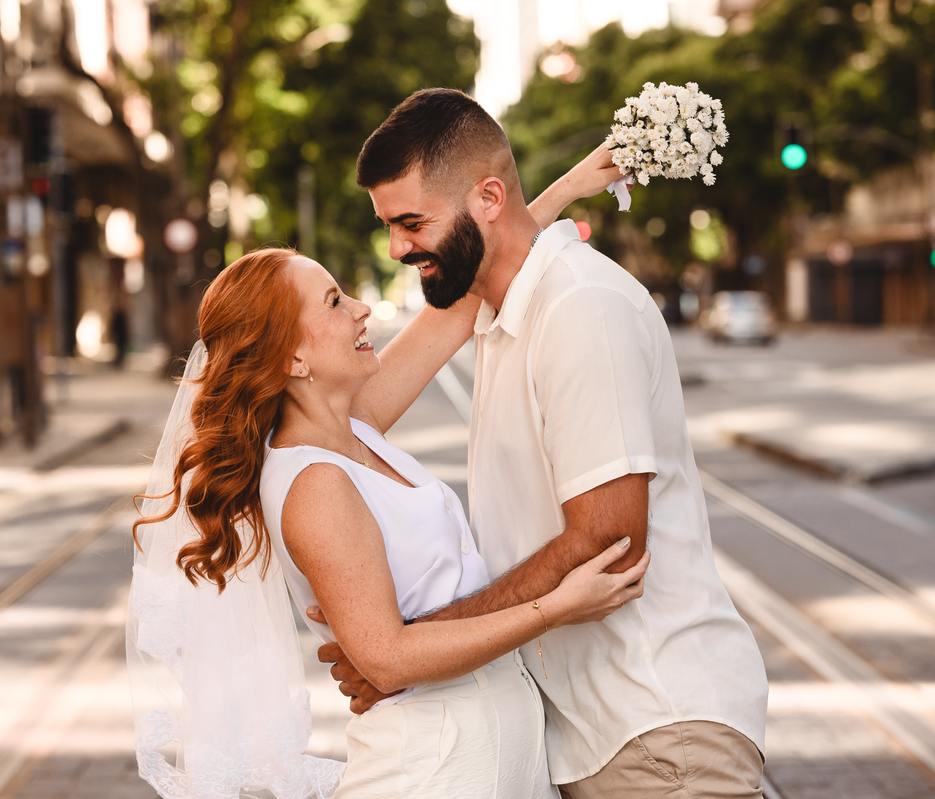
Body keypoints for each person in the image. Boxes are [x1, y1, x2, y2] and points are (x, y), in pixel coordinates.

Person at [313, 88, 770, 799]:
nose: (398, 249)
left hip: (656, 735)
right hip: (590, 740)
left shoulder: (581, 308)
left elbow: (610, 542)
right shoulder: (501, 312)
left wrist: (409, 648)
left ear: (489, 197)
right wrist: (397, 652)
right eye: (391, 227)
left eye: (411, 223)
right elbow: (504, 240)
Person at [127, 176, 648, 795]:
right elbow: (387, 660)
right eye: (333, 302)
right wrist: (555, 608)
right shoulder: (313, 483)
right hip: (431, 768)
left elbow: (463, 297)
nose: (361, 308)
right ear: (292, 359)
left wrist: (570, 185)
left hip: (484, 756)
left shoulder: (354, 428)